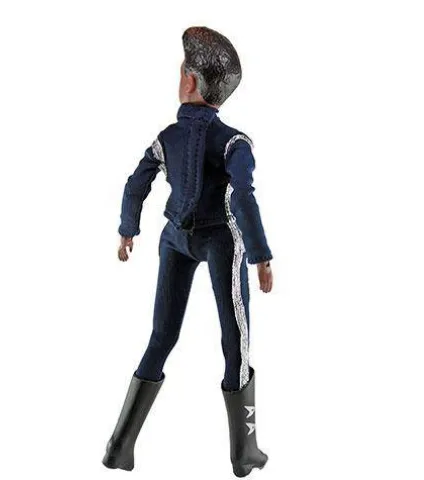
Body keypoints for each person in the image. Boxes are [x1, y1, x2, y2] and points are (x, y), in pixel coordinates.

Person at [103, 26, 273, 478]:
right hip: (220, 240)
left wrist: (128, 229)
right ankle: (244, 453)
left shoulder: (168, 138)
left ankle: (119, 446)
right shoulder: (234, 142)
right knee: (235, 339)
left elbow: (136, 183)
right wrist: (260, 254)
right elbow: (243, 196)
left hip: (175, 238)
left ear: (190, 82)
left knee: (162, 336)